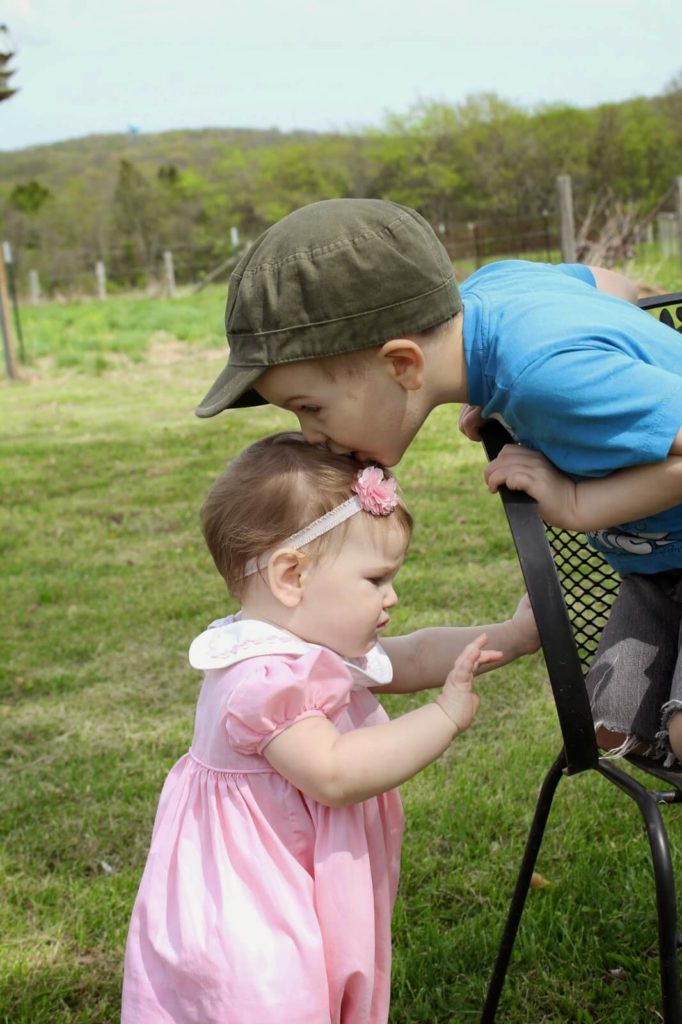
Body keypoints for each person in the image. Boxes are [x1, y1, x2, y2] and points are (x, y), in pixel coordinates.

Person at [193, 197, 682, 763]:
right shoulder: (492, 293)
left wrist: (576, 499)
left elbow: (575, 340)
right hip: (655, 572)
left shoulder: (546, 375)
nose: (309, 435)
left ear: (402, 365)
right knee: (611, 733)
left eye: (311, 408)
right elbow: (606, 285)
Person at [121, 432, 539, 1024]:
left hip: (296, 883)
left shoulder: (306, 643)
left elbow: (416, 655)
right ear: (292, 576)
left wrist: (513, 635)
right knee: (281, 1005)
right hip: (255, 912)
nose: (391, 597)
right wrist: (443, 716)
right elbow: (336, 773)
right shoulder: (260, 680)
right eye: (375, 580)